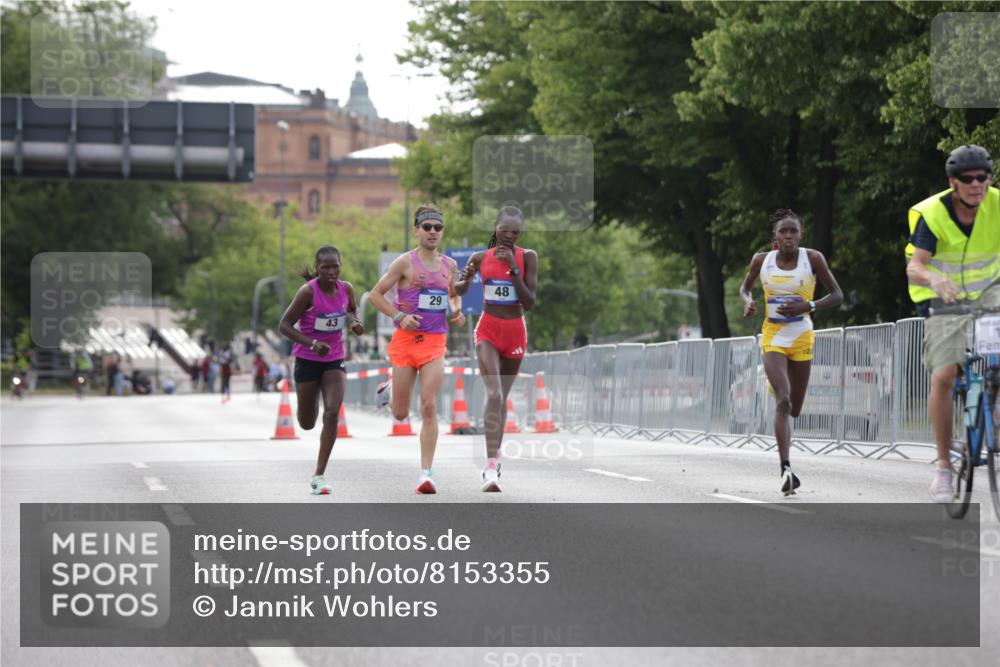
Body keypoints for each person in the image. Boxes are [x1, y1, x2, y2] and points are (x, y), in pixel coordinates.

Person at [904, 145, 999, 502]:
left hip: (991, 293)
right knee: (944, 377)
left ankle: (995, 406)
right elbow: (914, 265)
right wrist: (935, 280)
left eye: (983, 178)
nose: (976, 185)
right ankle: (944, 466)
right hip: (943, 297)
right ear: (953, 182)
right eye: (968, 179)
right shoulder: (933, 213)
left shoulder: (997, 205)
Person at [739, 208, 843, 495]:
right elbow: (745, 289)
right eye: (783, 231)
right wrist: (748, 302)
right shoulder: (762, 260)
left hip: (802, 337)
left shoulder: (813, 259)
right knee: (783, 400)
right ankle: (786, 469)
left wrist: (808, 305)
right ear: (775, 236)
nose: (788, 236)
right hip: (773, 336)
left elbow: (837, 295)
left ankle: (782, 393)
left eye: (793, 231)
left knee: (795, 407)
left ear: (801, 234)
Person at [369, 205, 466, 494]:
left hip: (435, 342)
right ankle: (389, 388)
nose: (433, 232)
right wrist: (399, 316)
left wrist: (457, 311)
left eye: (438, 227)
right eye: (427, 227)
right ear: (416, 231)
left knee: (428, 404)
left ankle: (427, 473)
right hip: (405, 343)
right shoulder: (404, 263)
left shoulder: (449, 266)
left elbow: (452, 296)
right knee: (400, 414)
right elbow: (374, 296)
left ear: (442, 231)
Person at [455, 206, 538, 492]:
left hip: (515, 331)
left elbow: (529, 301)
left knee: (502, 399)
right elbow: (461, 290)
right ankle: (490, 467)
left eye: (515, 232)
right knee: (494, 392)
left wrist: (514, 270)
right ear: (495, 228)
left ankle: (496, 457)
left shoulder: (528, 257)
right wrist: (463, 280)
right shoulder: (481, 257)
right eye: (504, 230)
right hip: (488, 329)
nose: (509, 236)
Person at [279, 245, 364, 495]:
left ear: (340, 266)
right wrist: (312, 344)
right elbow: (284, 325)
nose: (330, 271)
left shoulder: (346, 288)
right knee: (307, 422)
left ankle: (319, 475)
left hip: (334, 359)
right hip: (307, 359)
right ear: (317, 269)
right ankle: (308, 401)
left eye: (334, 266)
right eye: (325, 267)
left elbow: (352, 309)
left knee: (332, 413)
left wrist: (356, 322)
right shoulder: (307, 292)